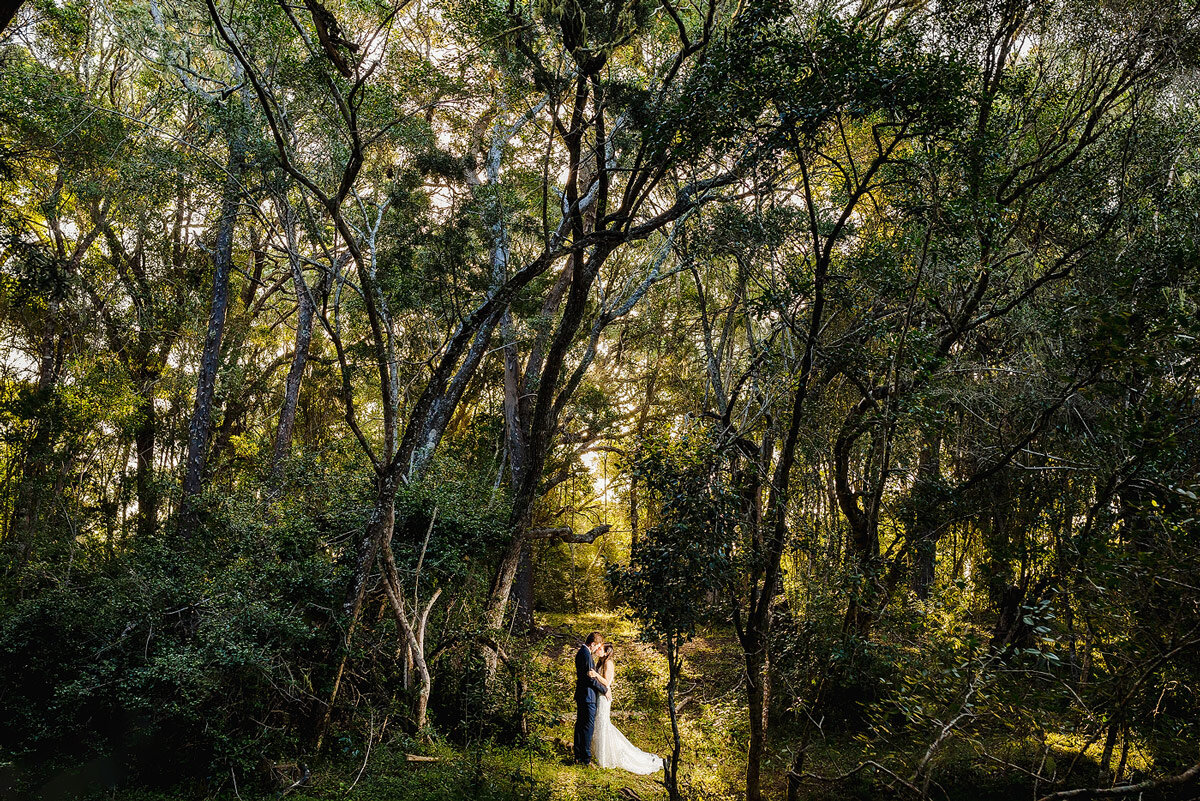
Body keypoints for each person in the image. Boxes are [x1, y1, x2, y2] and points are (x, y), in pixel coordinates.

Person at [588, 643, 664, 774]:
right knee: (599, 724)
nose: (597, 650)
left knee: (603, 724)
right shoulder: (600, 662)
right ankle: (600, 753)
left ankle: (606, 757)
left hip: (604, 696)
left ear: (606, 653)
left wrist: (595, 674)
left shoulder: (609, 663)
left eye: (601, 649)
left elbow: (606, 682)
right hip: (598, 694)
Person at [573, 631, 609, 765]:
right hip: (588, 696)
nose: (597, 649)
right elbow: (590, 679)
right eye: (597, 646)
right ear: (592, 644)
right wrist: (604, 690)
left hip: (583, 695)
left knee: (580, 726)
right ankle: (585, 758)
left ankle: (578, 756)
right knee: (587, 727)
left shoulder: (582, 652)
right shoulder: (586, 654)